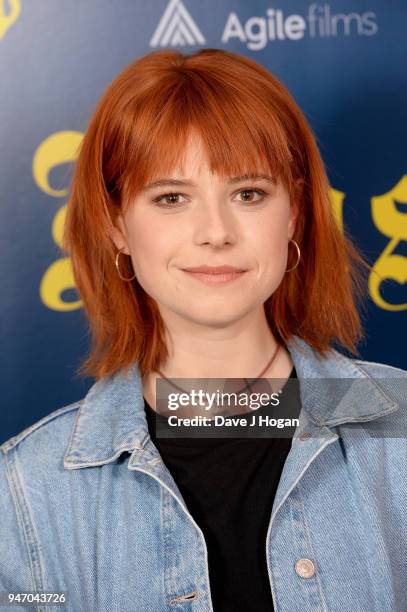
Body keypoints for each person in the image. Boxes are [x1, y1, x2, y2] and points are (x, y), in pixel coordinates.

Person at [1, 47, 406, 612]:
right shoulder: (24, 491)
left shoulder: (401, 430)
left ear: (293, 212)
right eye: (171, 198)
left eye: (248, 194)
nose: (215, 232)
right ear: (117, 224)